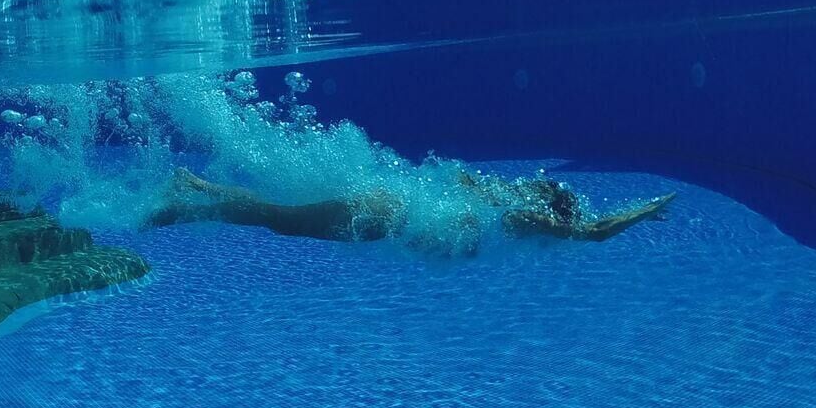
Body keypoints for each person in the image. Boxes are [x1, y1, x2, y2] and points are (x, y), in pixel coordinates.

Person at [143, 166, 672, 255]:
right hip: (379, 217)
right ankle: (187, 204)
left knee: (281, 218)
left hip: (384, 211)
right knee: (281, 220)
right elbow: (594, 234)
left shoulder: (499, 201)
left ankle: (194, 189)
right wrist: (644, 212)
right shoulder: (521, 218)